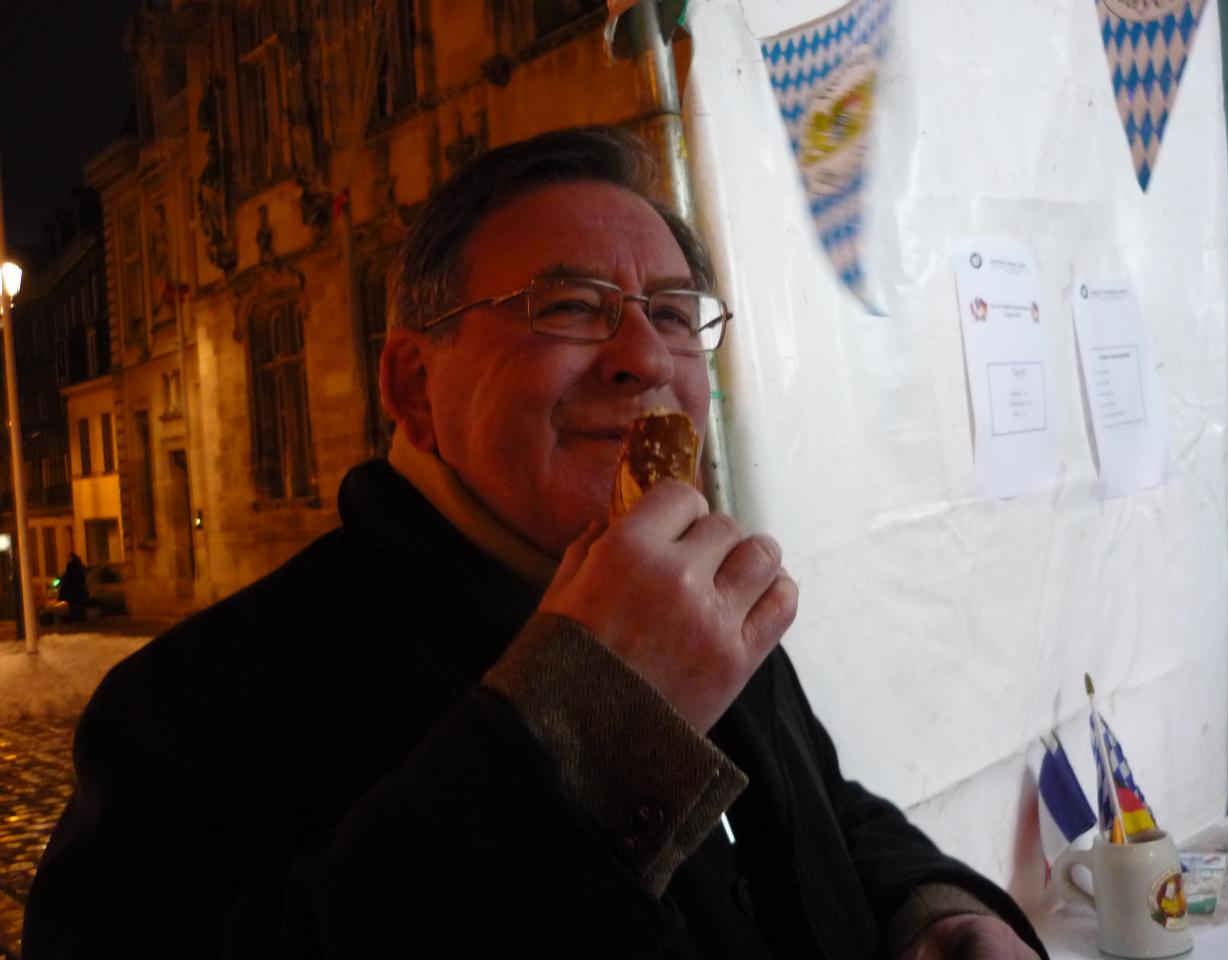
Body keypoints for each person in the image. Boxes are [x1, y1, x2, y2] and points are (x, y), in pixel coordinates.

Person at [23, 127, 1046, 959]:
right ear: (412, 387)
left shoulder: (701, 585)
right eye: (569, 309)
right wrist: (595, 720)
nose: (644, 357)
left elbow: (811, 816)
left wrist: (935, 912)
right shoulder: (193, 709)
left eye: (673, 315)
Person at [55, 552, 88, 623]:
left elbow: (66, 580)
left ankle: (76, 619)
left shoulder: (71, 568)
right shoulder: (80, 568)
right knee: (79, 606)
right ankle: (81, 619)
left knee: (74, 607)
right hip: (79, 592)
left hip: (73, 593)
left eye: (68, 558)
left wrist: (62, 592)